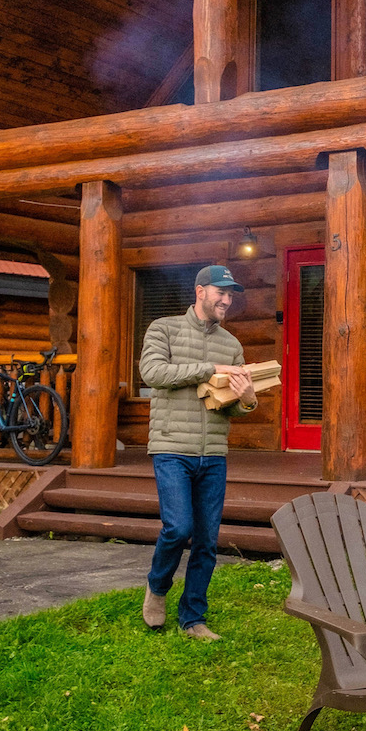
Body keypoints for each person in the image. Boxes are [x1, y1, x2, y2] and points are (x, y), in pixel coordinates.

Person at [140, 265, 257, 640]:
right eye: (220, 292)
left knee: (206, 540)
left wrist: (248, 400)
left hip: (214, 453)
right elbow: (153, 373)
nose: (227, 300)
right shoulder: (164, 328)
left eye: (231, 294)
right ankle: (157, 589)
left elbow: (232, 405)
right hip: (172, 445)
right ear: (200, 291)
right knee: (178, 528)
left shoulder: (232, 344)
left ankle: (193, 618)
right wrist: (209, 368)